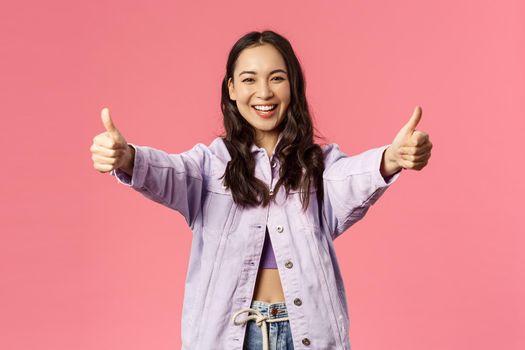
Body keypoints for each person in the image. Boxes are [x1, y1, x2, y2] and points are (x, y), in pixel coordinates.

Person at [90, 30, 432, 350]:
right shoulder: (210, 165)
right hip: (231, 336)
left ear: (293, 86)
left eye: (277, 78)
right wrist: (128, 157)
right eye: (249, 79)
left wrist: (391, 157)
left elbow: (351, 178)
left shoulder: (319, 165)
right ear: (231, 89)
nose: (264, 93)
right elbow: (170, 172)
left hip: (306, 334)